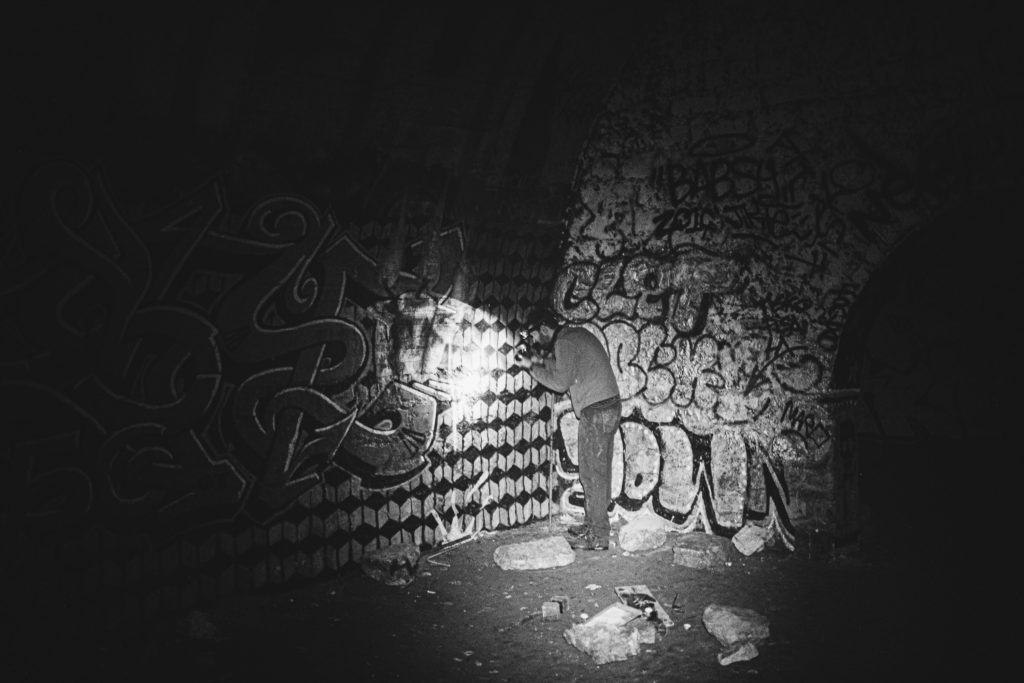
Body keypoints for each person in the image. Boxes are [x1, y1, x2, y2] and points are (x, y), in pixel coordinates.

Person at [515, 307, 622, 551]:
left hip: (597, 412)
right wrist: (538, 361)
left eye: (534, 337)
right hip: (609, 407)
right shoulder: (574, 336)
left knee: (591, 474)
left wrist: (531, 368)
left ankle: (598, 536)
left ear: (544, 329)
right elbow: (561, 368)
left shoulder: (564, 343)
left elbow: (559, 382)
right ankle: (595, 525)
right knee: (599, 472)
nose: (535, 342)